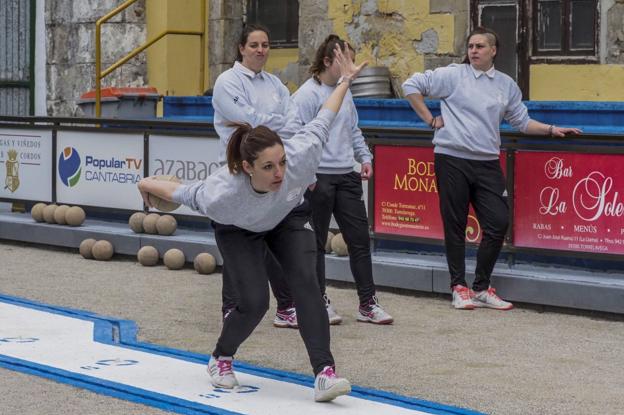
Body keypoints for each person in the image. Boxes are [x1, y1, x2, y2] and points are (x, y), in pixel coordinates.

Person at [137, 45, 366, 402]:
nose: (279, 173)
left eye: (281, 163)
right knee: (256, 302)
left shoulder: (301, 153)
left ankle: (325, 373)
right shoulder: (222, 192)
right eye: (268, 167)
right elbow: (179, 190)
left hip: (288, 217)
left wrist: (346, 80)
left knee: (308, 284)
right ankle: (221, 357)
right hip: (239, 228)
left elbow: (326, 113)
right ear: (247, 168)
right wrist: (146, 183)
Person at [402, 27, 581, 310]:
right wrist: (430, 120)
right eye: (471, 46)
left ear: (494, 50)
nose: (473, 51)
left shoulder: (506, 85)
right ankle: (458, 287)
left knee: (498, 222)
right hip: (452, 158)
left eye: (480, 46)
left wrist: (551, 129)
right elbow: (410, 85)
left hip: (486, 162)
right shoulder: (453, 75)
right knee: (455, 224)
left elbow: (521, 122)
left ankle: (482, 288)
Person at [291, 35, 393, 325]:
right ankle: (319, 300)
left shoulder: (345, 91)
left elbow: (353, 129)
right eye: (344, 60)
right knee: (317, 242)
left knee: (359, 240)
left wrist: (365, 158)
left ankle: (368, 303)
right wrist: (308, 175)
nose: (351, 67)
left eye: (352, 59)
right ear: (327, 61)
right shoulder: (306, 95)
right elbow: (296, 138)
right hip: (317, 178)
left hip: (346, 176)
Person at [211, 24, 298, 328]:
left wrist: (271, 123)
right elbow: (249, 124)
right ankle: (231, 307)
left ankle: (286, 307)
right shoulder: (227, 82)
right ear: (241, 48)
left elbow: (294, 120)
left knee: (272, 239)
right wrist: (275, 123)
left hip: (268, 174)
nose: (261, 50)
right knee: (237, 246)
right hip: (237, 174)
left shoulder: (275, 84)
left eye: (265, 45)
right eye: (254, 45)